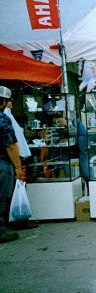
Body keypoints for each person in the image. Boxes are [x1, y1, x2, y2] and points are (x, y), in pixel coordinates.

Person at [4, 98, 38, 230]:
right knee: (12, 191)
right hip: (13, 159)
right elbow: (11, 144)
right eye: (10, 100)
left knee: (13, 190)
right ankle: (16, 221)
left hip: (15, 158)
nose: (13, 103)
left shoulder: (8, 116)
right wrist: (17, 165)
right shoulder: (5, 117)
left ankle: (17, 220)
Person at [0, 86, 23, 243]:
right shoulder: (2, 119)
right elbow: (11, 145)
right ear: (3, 101)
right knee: (1, 197)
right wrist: (18, 167)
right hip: (2, 163)